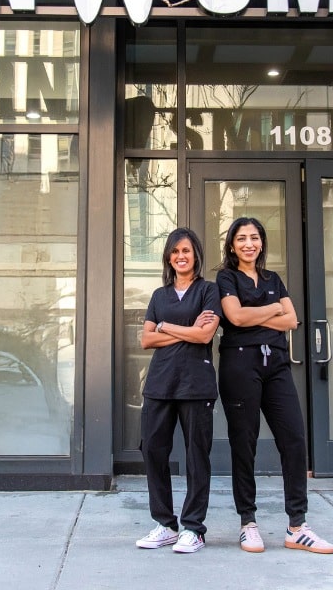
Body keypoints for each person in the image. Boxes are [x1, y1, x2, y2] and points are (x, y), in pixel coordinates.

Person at [216, 217, 333, 555]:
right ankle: (248, 523)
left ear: (262, 243)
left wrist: (257, 314)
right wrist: (271, 310)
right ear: (232, 245)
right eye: (241, 238)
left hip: (277, 365)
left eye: (254, 237)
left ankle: (297, 525)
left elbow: (292, 320)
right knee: (245, 443)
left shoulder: (274, 278)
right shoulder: (226, 278)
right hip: (240, 366)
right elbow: (235, 318)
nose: (249, 244)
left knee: (294, 439)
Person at [135, 227, 221, 554]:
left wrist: (165, 327)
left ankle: (194, 528)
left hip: (196, 385)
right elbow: (145, 340)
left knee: (196, 456)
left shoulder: (209, 292)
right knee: (153, 450)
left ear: (196, 254)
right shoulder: (159, 296)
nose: (180, 256)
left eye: (186, 250)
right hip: (159, 384)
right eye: (175, 252)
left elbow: (204, 336)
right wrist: (187, 329)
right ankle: (166, 525)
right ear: (169, 258)